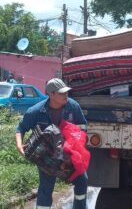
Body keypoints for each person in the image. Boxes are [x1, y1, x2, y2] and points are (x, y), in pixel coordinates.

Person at [15, 78, 88, 209]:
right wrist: (19, 145)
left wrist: (72, 149)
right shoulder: (36, 111)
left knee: (82, 180)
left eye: (66, 92)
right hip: (47, 158)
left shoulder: (73, 107)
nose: (66, 95)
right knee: (46, 187)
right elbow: (20, 129)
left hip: (69, 156)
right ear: (51, 94)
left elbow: (83, 129)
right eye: (62, 93)